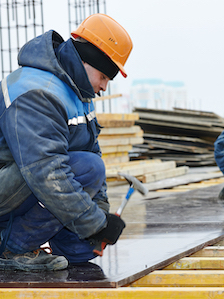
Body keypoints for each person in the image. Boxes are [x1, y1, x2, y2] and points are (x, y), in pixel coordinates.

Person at [0, 13, 133, 271]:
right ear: (87, 61)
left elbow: (91, 149)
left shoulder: (77, 93)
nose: (104, 87)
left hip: (19, 187)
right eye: (104, 78)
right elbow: (47, 172)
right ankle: (11, 246)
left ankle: (26, 237)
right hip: (11, 185)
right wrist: (96, 223)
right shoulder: (38, 92)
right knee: (86, 168)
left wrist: (101, 213)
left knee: (80, 251)